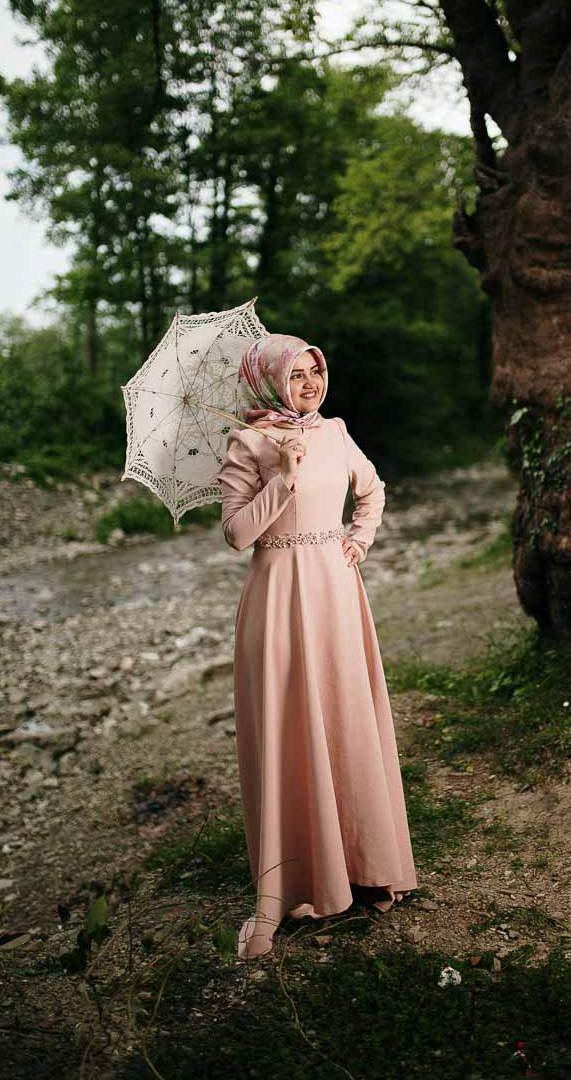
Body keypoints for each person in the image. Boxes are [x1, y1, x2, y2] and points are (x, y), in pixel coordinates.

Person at [217, 332, 417, 959]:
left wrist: (360, 536)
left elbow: (372, 488)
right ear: (272, 381)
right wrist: (283, 477)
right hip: (277, 596)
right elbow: (236, 534)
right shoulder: (249, 441)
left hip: (335, 589)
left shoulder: (335, 432)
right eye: (297, 375)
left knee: (345, 715)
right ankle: (298, 883)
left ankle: (366, 865)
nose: (310, 384)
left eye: (315, 372)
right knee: (291, 730)